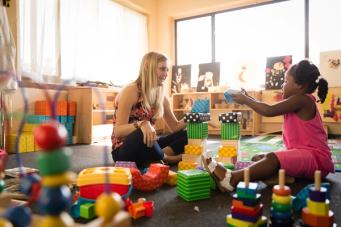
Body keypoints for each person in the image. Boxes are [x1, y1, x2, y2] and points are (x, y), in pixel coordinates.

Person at [202, 59, 334, 192]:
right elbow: (267, 108)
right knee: (259, 158)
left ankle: (232, 179)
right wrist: (248, 97)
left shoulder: (303, 100)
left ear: (300, 85)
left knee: (271, 158)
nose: (283, 85)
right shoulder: (298, 100)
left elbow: (268, 111)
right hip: (303, 156)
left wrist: (246, 100)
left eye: (286, 81)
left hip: (316, 160)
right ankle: (282, 176)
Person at [111, 52, 187, 169]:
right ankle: (165, 158)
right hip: (124, 150)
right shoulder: (131, 90)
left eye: (167, 70)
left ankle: (155, 156)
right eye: (162, 69)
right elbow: (118, 132)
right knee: (141, 133)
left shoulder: (161, 95)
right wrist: (142, 124)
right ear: (147, 68)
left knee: (187, 134)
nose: (166, 74)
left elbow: (175, 126)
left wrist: (195, 117)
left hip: (149, 143)